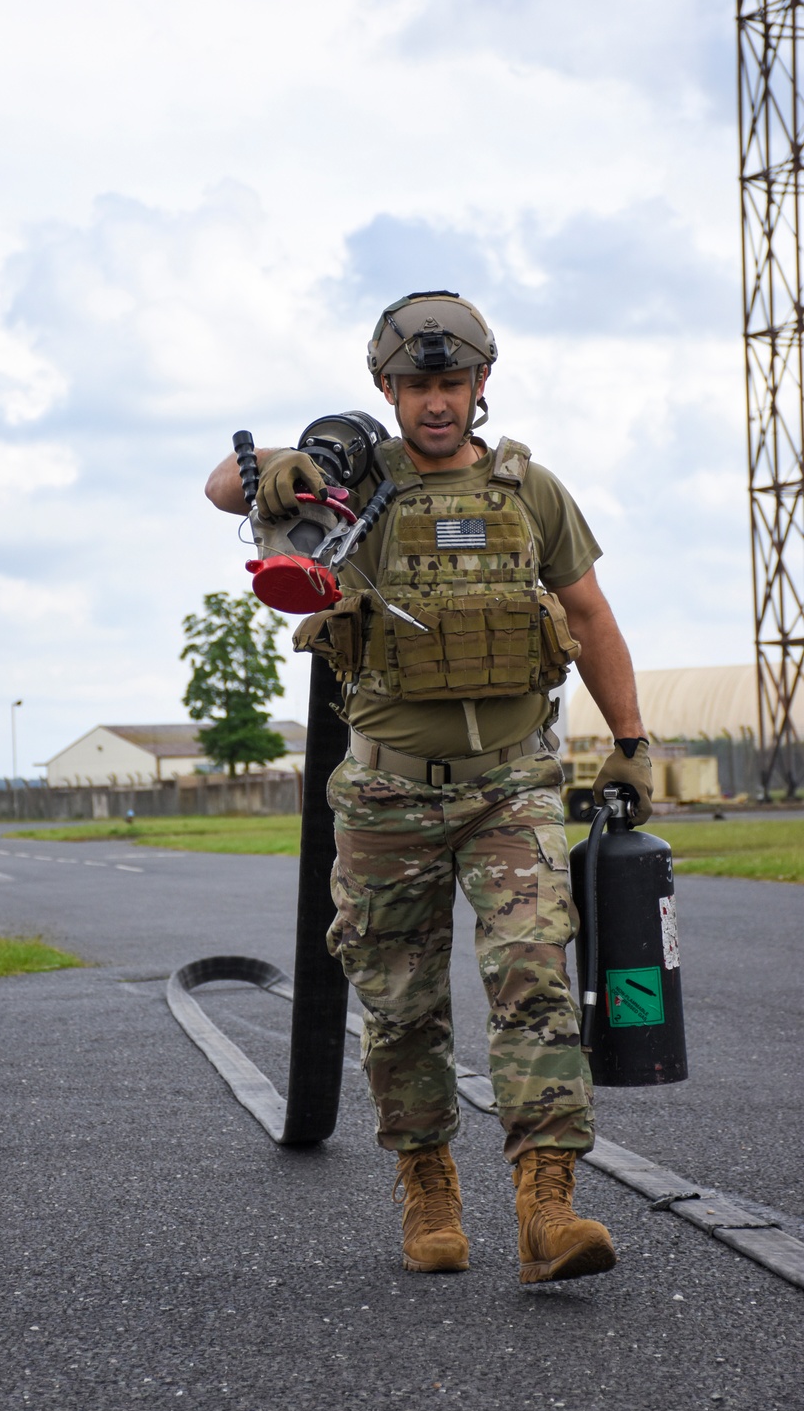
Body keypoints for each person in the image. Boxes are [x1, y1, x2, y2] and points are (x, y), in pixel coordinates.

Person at [204, 290, 653, 1284]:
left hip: (511, 787)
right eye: (417, 384)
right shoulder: (348, 483)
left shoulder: (530, 491)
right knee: (400, 1006)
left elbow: (589, 615)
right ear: (386, 388)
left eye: (452, 382)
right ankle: (427, 1182)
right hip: (388, 797)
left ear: (480, 384)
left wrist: (629, 741)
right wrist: (279, 466)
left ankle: (547, 1207)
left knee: (533, 980)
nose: (436, 401)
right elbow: (224, 489)